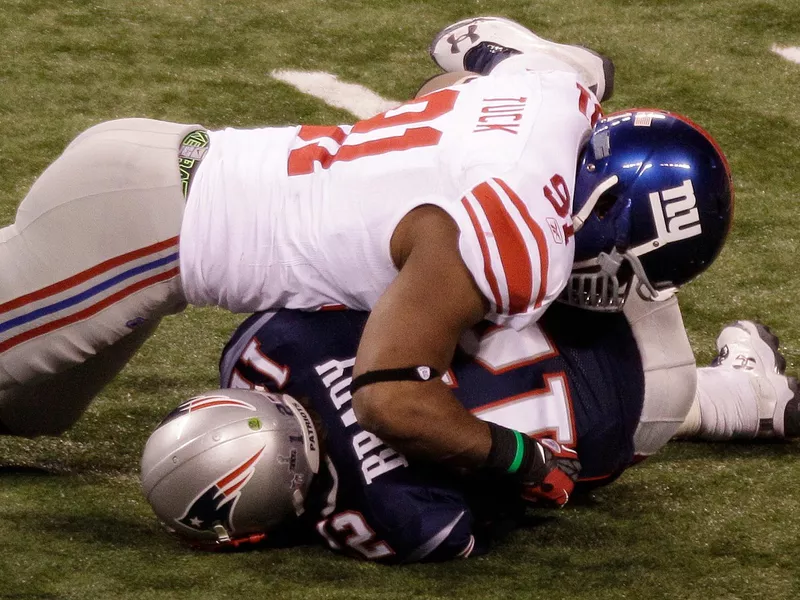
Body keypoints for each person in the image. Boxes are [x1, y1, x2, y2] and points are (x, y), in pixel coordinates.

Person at [0, 16, 733, 506]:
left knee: (36, 413)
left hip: (159, 183)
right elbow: (390, 397)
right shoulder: (514, 241)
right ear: (599, 215)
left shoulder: (558, 90)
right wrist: (520, 461)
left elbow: (460, 57)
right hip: (132, 229)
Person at [140, 294, 798, 563]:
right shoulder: (270, 348)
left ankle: (750, 397)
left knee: (557, 448)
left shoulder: (386, 518)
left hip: (629, 417)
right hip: (577, 306)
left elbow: (466, 526)